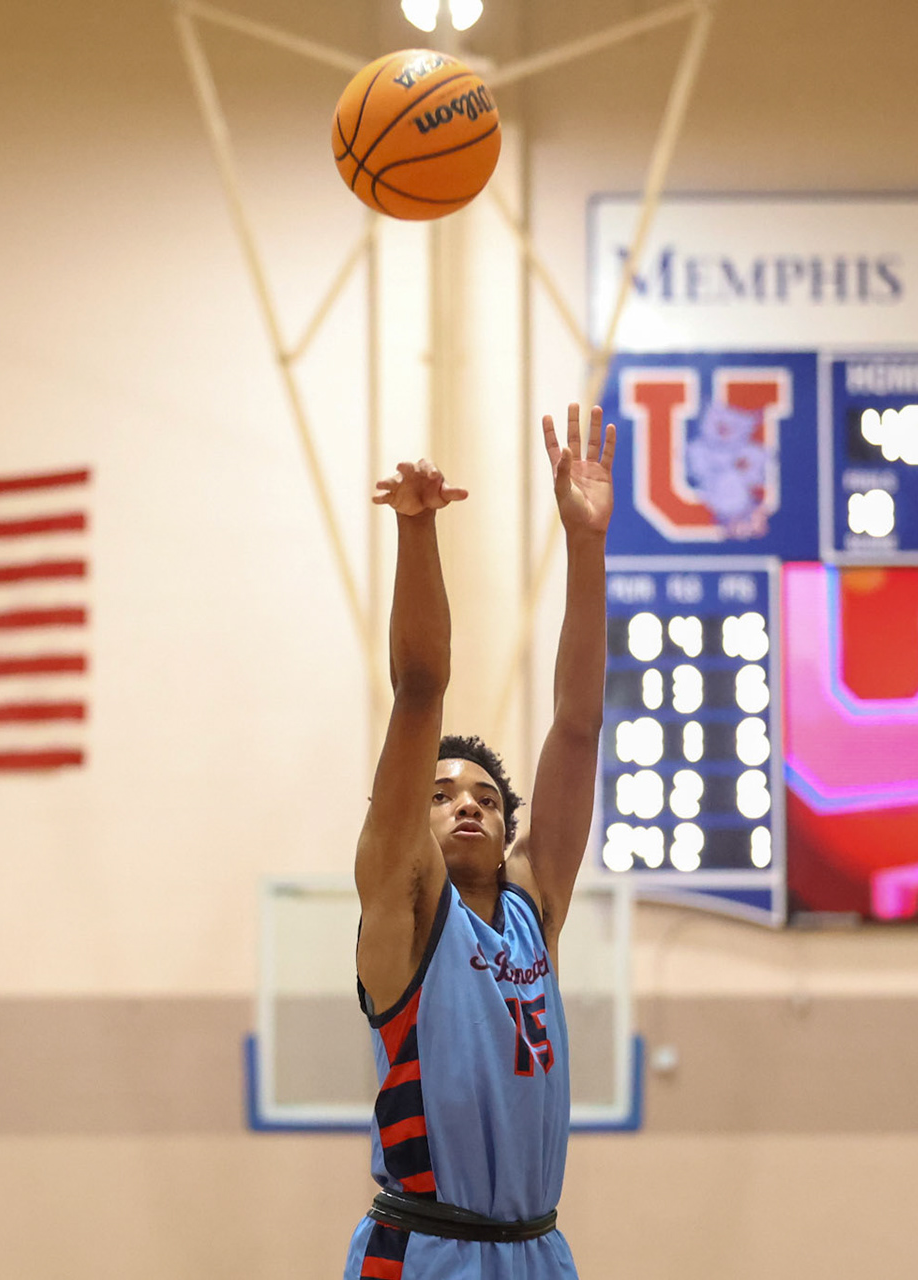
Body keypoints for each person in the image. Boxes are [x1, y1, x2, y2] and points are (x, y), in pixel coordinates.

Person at [343, 404, 613, 1279]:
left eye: (486, 799)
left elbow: (577, 726)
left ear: (506, 835)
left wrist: (586, 545)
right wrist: (416, 530)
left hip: (538, 1249)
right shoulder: (405, 908)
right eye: (441, 796)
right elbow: (421, 689)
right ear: (409, 827)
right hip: (430, 1248)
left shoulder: (535, 908)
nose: (467, 805)